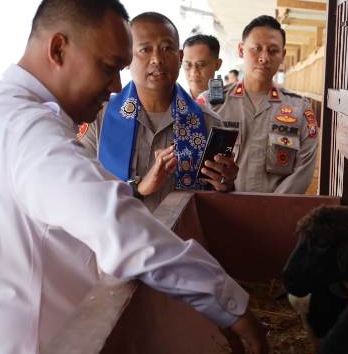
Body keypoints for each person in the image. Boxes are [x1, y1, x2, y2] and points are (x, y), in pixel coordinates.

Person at [0, 0, 267, 354]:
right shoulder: (31, 135)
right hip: (8, 351)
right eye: (108, 68)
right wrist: (229, 303)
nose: (115, 88)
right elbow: (119, 228)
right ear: (58, 49)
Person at [77, 13, 238, 212]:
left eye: (166, 48)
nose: (157, 59)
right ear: (127, 57)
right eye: (145, 49)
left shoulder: (207, 123)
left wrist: (226, 184)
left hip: (181, 240)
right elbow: (79, 189)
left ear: (179, 58)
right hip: (115, 238)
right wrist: (138, 188)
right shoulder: (98, 117)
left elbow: (218, 204)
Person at [202, 15, 318, 194]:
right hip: (218, 210)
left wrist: (269, 210)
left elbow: (303, 171)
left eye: (273, 51)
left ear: (283, 55)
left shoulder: (300, 109)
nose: (264, 58)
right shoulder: (210, 104)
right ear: (241, 50)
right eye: (256, 49)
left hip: (275, 214)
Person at [181, 33, 223, 105]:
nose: (193, 72)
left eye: (201, 65)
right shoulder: (174, 104)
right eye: (188, 65)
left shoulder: (231, 105)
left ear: (217, 65)